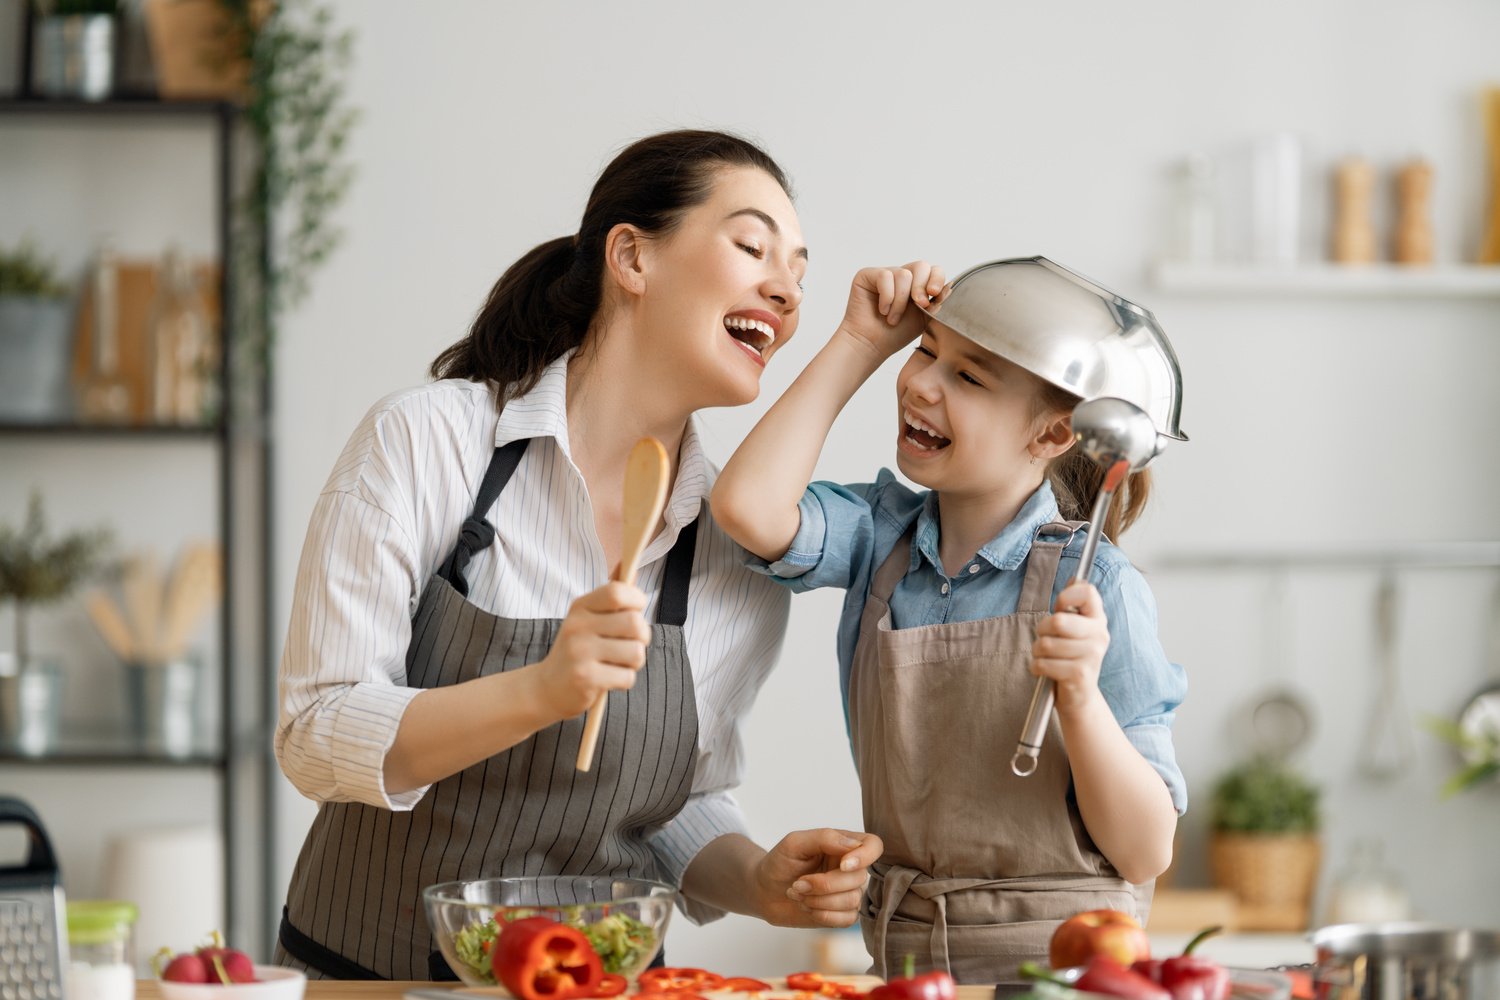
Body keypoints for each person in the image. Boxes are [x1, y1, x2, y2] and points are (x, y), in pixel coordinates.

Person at [272, 130, 884, 981]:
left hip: (603, 983)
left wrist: (759, 882)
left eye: (800, 274)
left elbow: (674, 801)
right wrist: (540, 689)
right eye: (752, 246)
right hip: (372, 978)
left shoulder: (733, 552)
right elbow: (315, 734)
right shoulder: (427, 442)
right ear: (631, 258)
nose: (785, 289)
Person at [710, 258, 1189, 984]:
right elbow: (746, 509)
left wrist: (1081, 698)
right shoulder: (878, 537)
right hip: (907, 969)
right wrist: (859, 343)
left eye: (969, 378)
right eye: (927, 350)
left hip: (1066, 979)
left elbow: (1146, 850)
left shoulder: (1098, 586)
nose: (922, 383)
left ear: (1055, 435)